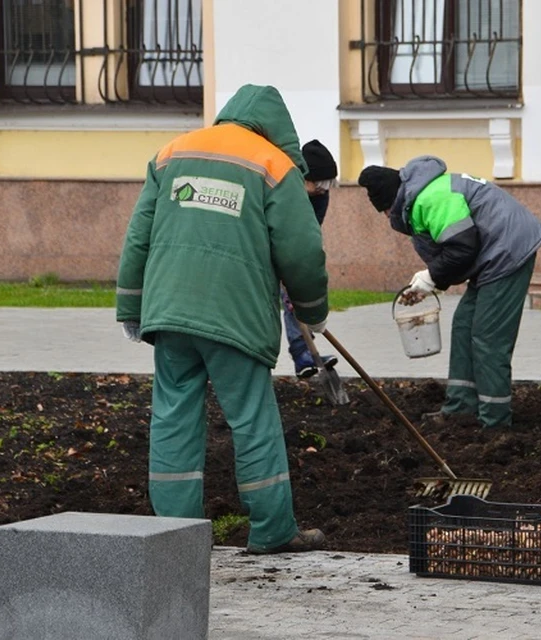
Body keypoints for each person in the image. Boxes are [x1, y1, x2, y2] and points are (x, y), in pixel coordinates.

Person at [115, 84, 328, 554]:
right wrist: (313, 312)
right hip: (235, 316)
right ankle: (272, 530)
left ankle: (174, 534)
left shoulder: (172, 154)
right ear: (276, 128)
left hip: (169, 313)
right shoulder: (274, 166)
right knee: (251, 417)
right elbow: (302, 250)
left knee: (172, 416)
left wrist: (132, 306)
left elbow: (138, 237)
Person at [358, 155, 541, 430]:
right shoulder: (424, 194)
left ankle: (494, 422)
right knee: (463, 325)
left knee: (487, 336)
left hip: (508, 251)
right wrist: (432, 280)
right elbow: (456, 249)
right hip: (492, 253)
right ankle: (461, 407)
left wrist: (431, 277)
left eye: (385, 211)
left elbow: (461, 248)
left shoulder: (431, 198)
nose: (387, 217)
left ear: (392, 202)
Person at [281, 139, 339, 379]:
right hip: (263, 248)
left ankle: (303, 354)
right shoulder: (282, 189)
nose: (322, 190)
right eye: (317, 185)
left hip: (294, 249)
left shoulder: (319, 197)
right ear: (303, 177)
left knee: (294, 299)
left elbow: (310, 235)